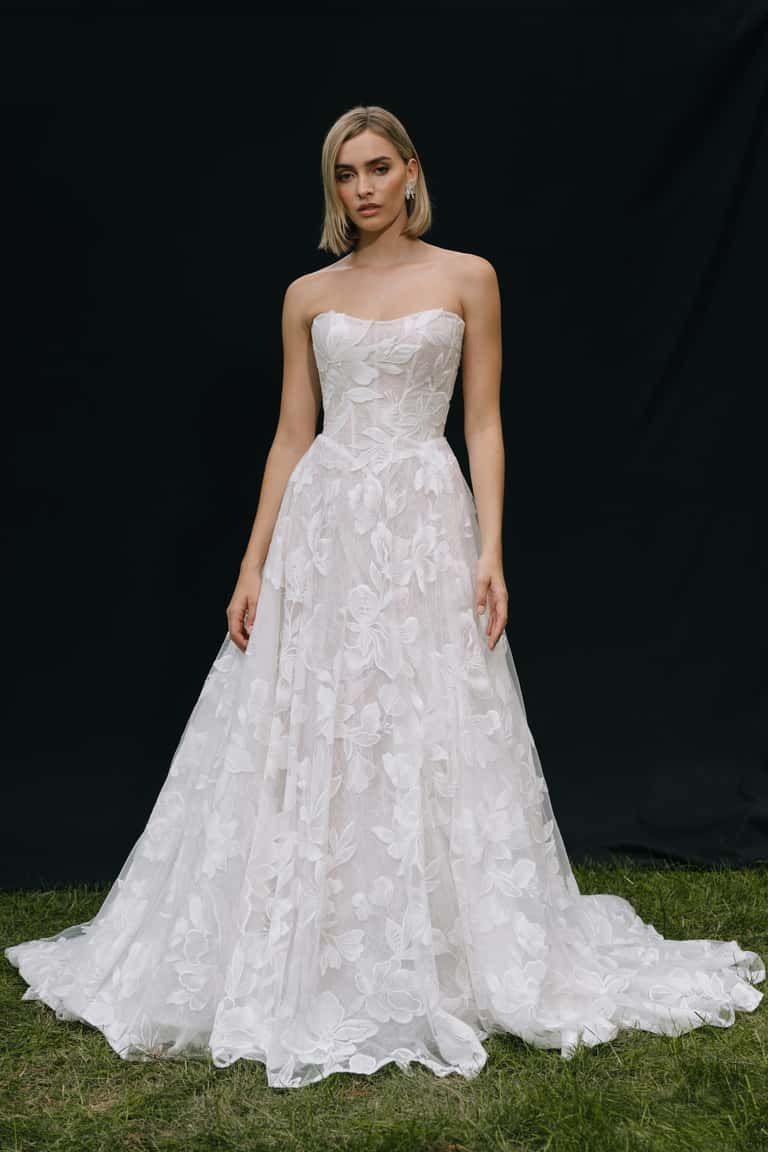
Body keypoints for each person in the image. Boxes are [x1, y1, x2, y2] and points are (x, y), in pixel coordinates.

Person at [6, 104, 764, 1090]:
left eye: (375, 168)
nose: (361, 188)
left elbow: (483, 423)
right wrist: (252, 565)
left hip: (421, 518)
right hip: (324, 526)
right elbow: (292, 434)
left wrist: (492, 551)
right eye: (344, 174)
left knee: (425, 716)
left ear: (409, 170)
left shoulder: (468, 276)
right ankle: (311, 937)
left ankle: (434, 940)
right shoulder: (307, 293)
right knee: (314, 717)